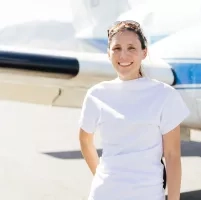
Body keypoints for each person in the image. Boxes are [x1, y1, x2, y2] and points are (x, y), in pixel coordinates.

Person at [78, 20, 190, 200]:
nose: (123, 55)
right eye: (117, 48)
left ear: (144, 52)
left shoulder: (165, 95)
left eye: (131, 48)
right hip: (104, 193)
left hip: (148, 194)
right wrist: (100, 176)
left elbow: (172, 155)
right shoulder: (96, 94)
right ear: (108, 53)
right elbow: (85, 141)